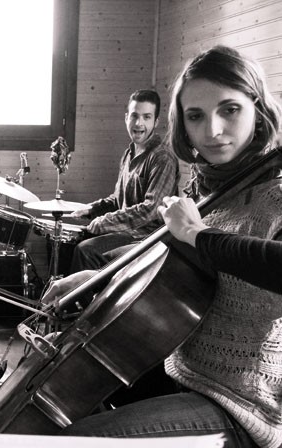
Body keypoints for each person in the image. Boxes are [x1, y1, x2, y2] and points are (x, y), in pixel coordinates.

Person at [42, 45, 282, 447]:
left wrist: (199, 235)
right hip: (180, 368)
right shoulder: (210, 186)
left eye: (230, 110)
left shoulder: (275, 195)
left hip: (241, 402)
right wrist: (94, 278)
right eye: (195, 116)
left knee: (76, 442)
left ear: (257, 109)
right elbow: (163, 259)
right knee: (62, 406)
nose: (213, 130)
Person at [68, 89, 180, 273]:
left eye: (146, 117)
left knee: (86, 251)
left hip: (148, 237)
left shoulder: (162, 157)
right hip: (126, 232)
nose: (139, 123)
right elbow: (117, 199)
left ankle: (86, 293)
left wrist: (104, 222)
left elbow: (151, 209)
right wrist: (92, 209)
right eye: (134, 116)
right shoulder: (129, 154)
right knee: (75, 239)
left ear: (155, 122)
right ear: (126, 118)